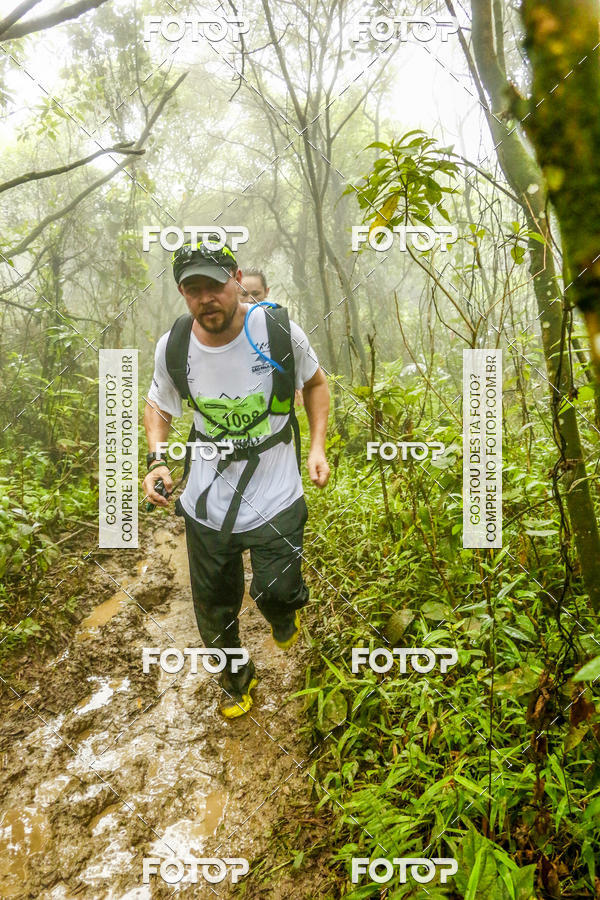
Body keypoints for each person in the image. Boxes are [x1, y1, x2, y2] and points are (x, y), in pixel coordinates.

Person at [142, 240, 330, 719]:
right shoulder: (175, 345)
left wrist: (316, 447)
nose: (206, 298)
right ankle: (235, 679)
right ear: (183, 294)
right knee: (214, 607)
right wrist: (157, 459)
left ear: (235, 278)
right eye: (193, 289)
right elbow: (159, 405)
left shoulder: (277, 331)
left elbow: (316, 383)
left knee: (277, 588)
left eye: (214, 284)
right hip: (208, 497)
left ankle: (283, 613)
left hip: (277, 489)